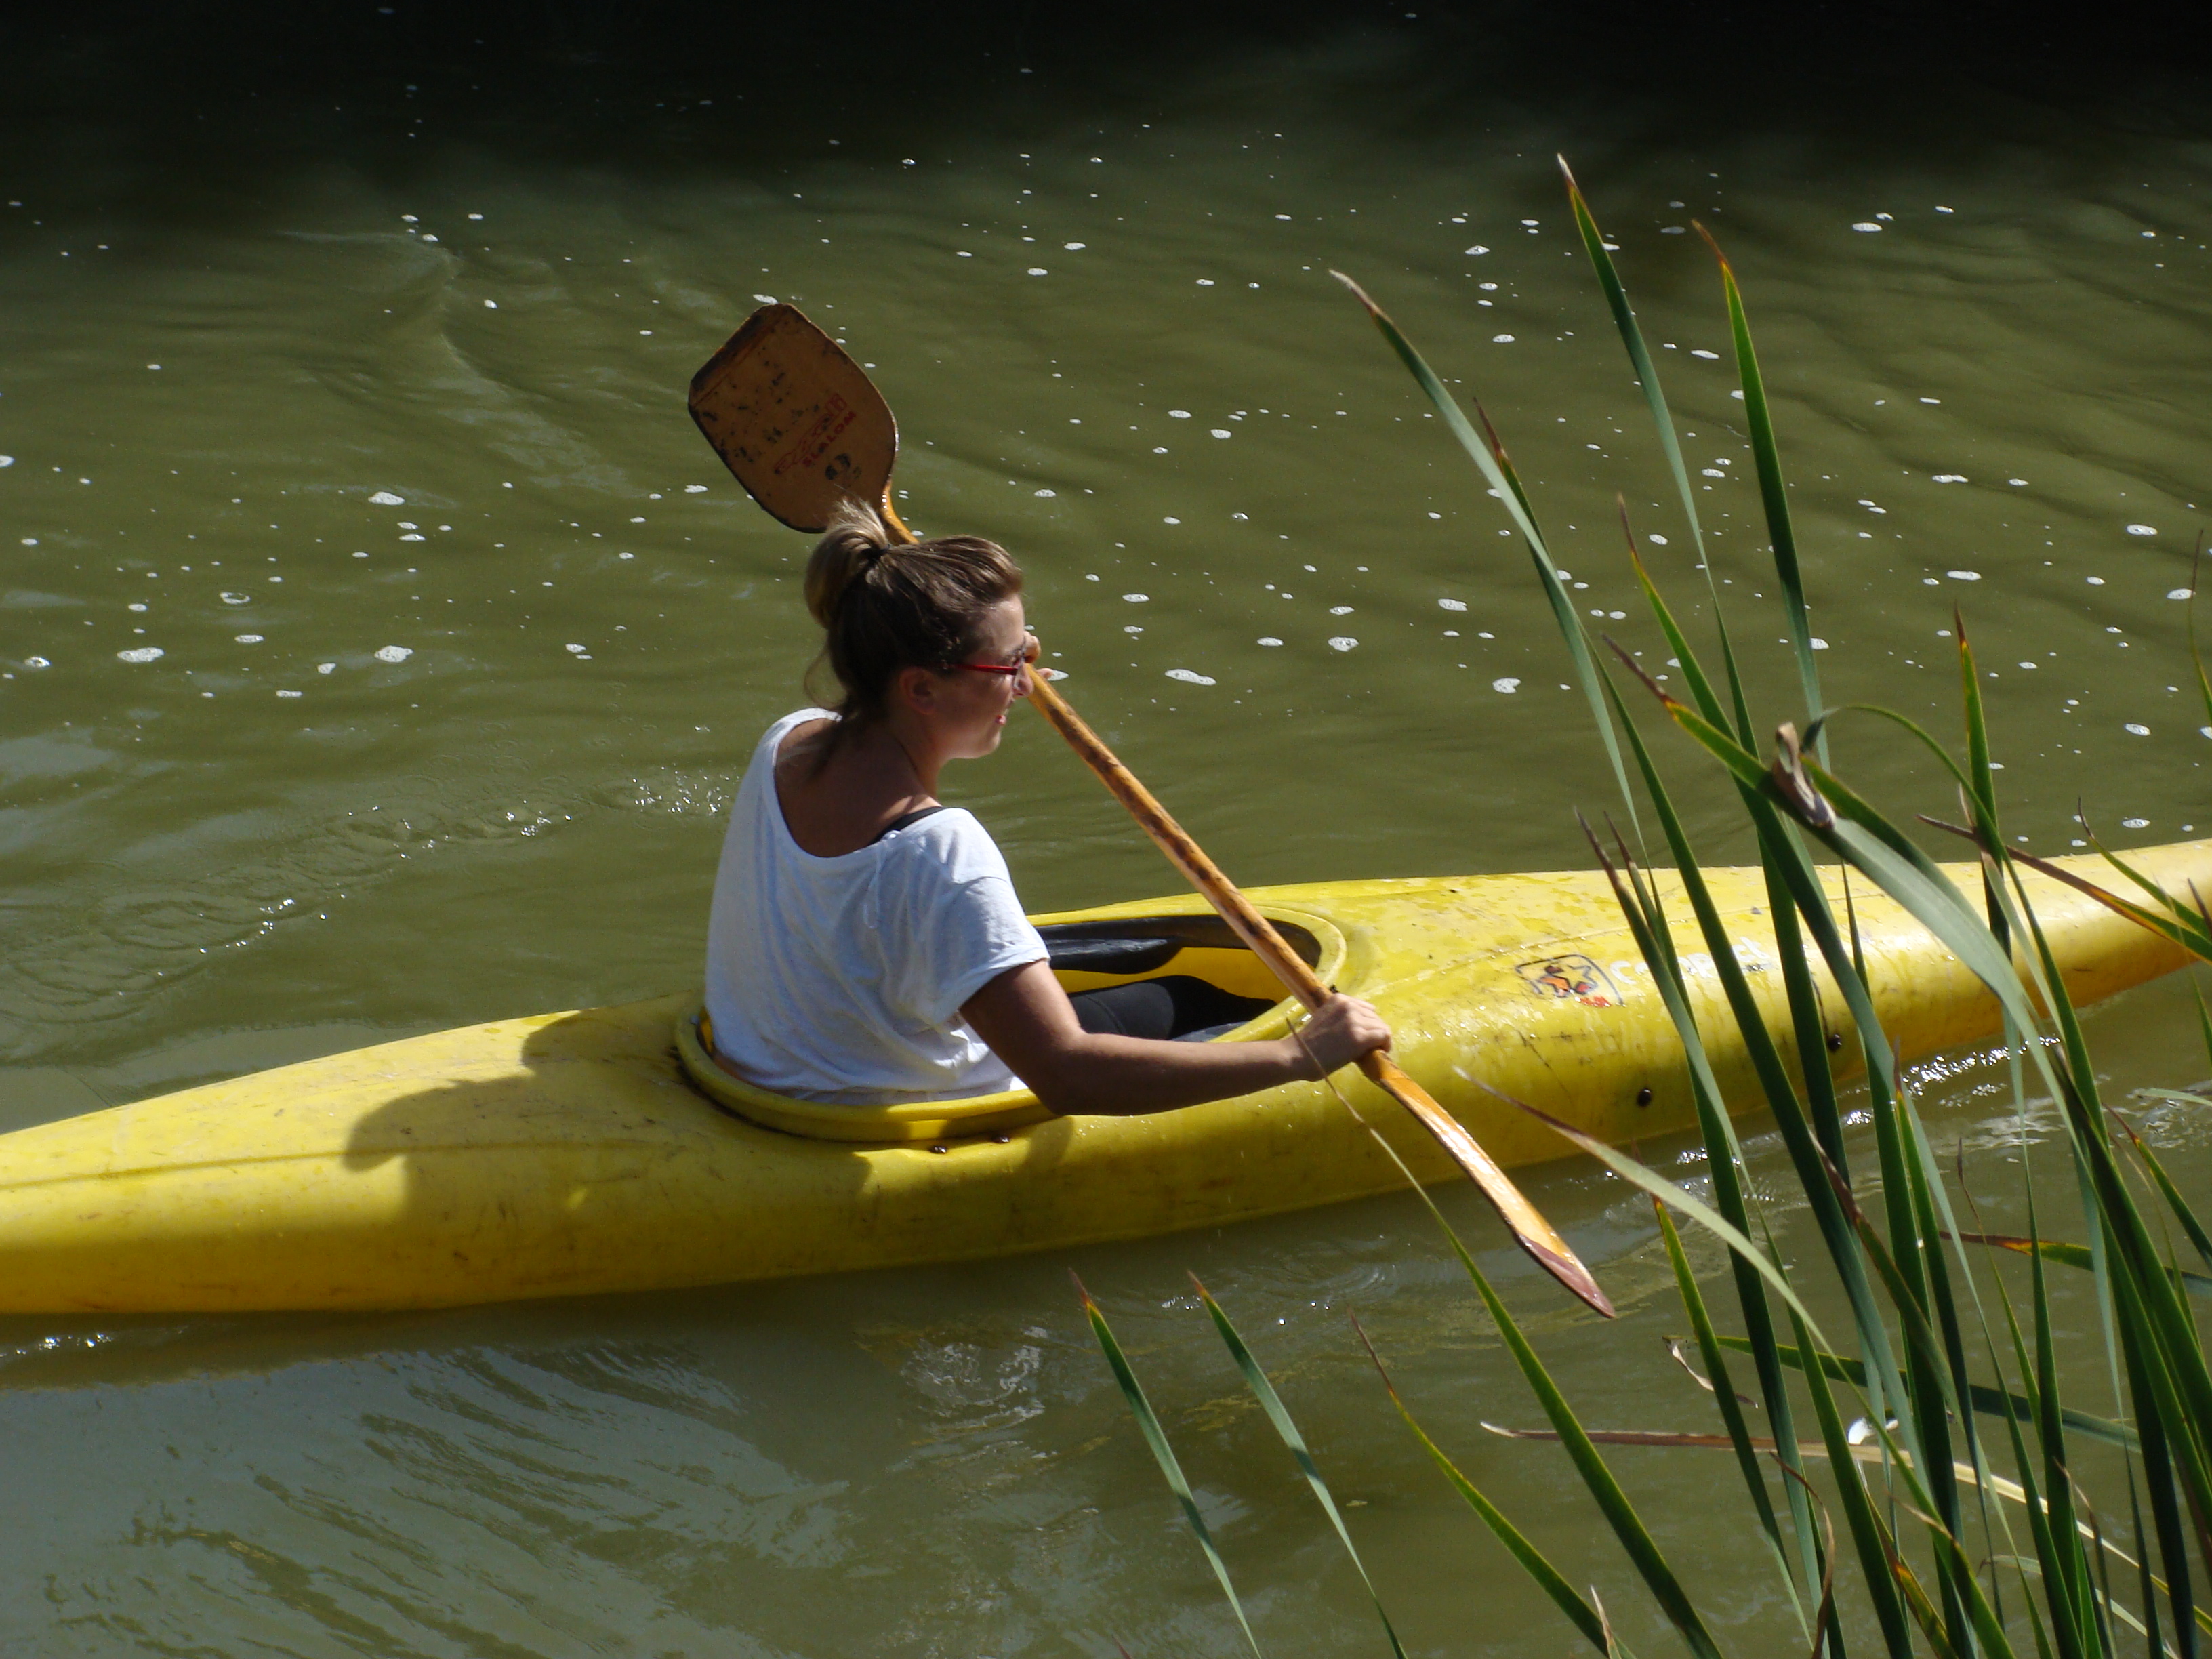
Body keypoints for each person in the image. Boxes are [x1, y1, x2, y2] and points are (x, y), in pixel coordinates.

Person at [702, 504, 1392, 1115]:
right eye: (1008, 665)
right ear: (921, 689)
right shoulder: (939, 850)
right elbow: (1067, 1075)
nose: (1028, 685)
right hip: (895, 1106)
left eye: (1029, 652)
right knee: (1206, 1005)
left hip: (771, 1075)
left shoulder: (788, 743)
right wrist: (1300, 1056)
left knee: (1172, 993)